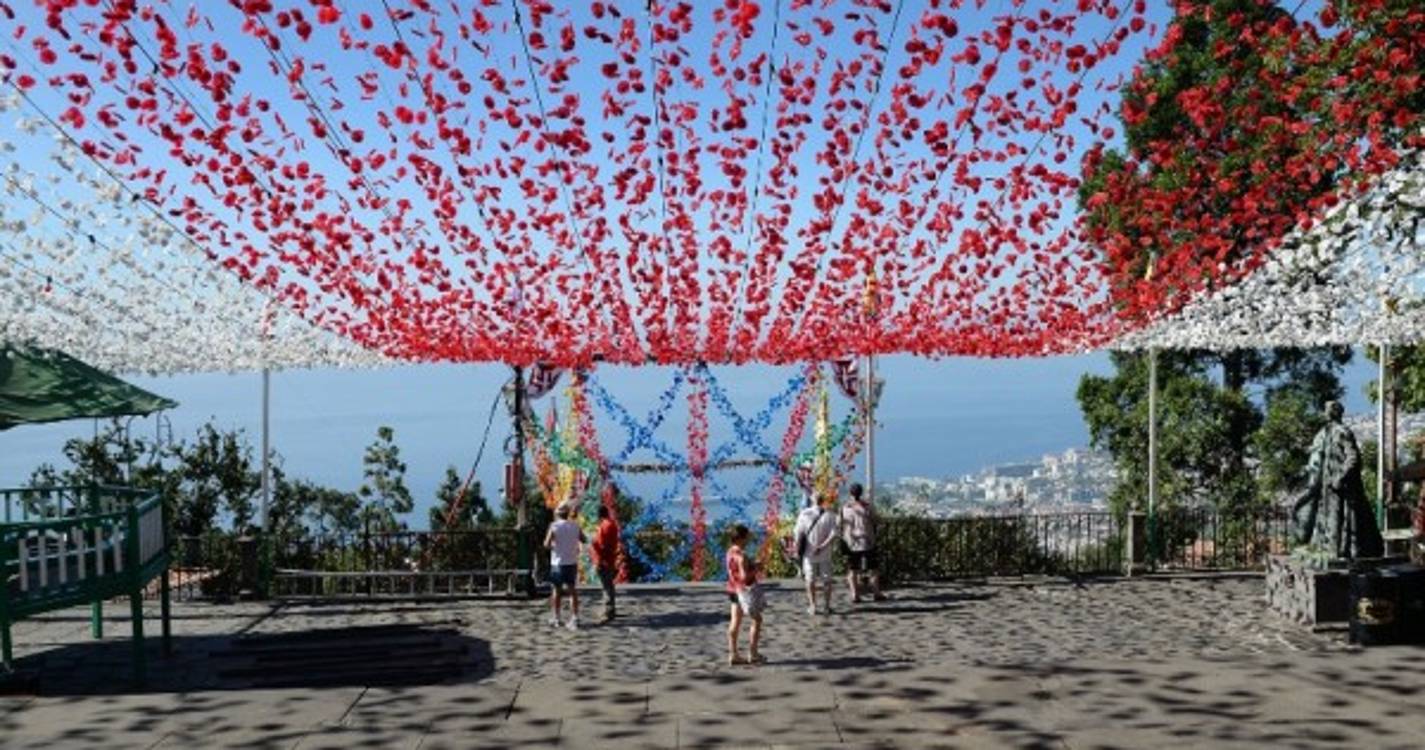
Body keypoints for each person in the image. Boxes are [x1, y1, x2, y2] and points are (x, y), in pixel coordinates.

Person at [724, 524, 764, 666]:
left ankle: (733, 654)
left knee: (735, 621)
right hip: (743, 591)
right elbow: (744, 577)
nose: (748, 540)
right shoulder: (741, 556)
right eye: (747, 537)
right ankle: (753, 653)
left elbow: (734, 573)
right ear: (741, 538)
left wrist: (751, 565)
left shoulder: (729, 552)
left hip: (732, 589)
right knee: (757, 620)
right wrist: (756, 568)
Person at [840, 482, 886, 603]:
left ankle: (855, 594)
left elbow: (840, 523)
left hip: (851, 542)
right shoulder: (867, 506)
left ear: (850, 493)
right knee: (874, 568)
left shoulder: (845, 507)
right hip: (868, 541)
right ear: (861, 493)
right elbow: (877, 520)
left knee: (852, 569)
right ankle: (876, 592)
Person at [543, 503, 587, 630]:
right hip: (571, 562)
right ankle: (575, 617)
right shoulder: (575, 526)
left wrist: (554, 546)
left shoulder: (554, 526)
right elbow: (583, 540)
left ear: (558, 513)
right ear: (567, 513)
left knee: (556, 591)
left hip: (557, 563)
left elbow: (546, 544)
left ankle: (556, 618)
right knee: (572, 591)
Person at [794, 494, 839, 615]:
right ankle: (827, 606)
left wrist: (797, 549)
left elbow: (798, 533)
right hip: (825, 552)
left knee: (810, 579)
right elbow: (834, 533)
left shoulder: (804, 514)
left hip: (809, 552)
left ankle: (813, 606)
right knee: (827, 579)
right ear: (823, 500)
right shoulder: (830, 514)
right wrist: (823, 545)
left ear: (812, 500)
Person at [590, 504, 621, 624]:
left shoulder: (604, 526)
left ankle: (608, 611)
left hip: (603, 560)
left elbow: (601, 545)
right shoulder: (612, 524)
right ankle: (610, 609)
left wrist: (593, 543)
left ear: (599, 515)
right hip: (610, 558)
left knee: (606, 586)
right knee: (609, 585)